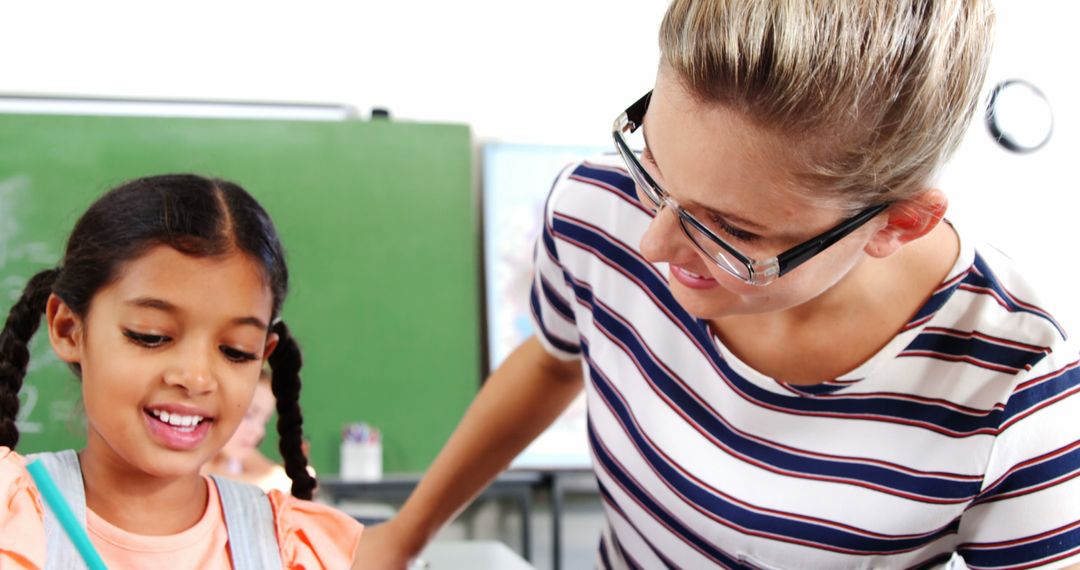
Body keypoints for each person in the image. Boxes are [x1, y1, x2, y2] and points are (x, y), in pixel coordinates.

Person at [357, 1, 1080, 568]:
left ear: (899, 224)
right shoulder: (595, 211)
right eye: (655, 167)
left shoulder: (1018, 386)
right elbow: (551, 359)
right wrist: (405, 535)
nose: (653, 244)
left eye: (733, 231)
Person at [0, 174, 362, 568]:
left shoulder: (291, 546)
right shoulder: (12, 517)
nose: (196, 378)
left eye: (236, 351)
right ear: (68, 328)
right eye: (151, 336)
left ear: (264, 354)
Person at [202, 369, 294, 494]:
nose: (259, 432)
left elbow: (273, 473)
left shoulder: (236, 454)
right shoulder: (191, 464)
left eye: (264, 421)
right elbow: (208, 480)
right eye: (249, 415)